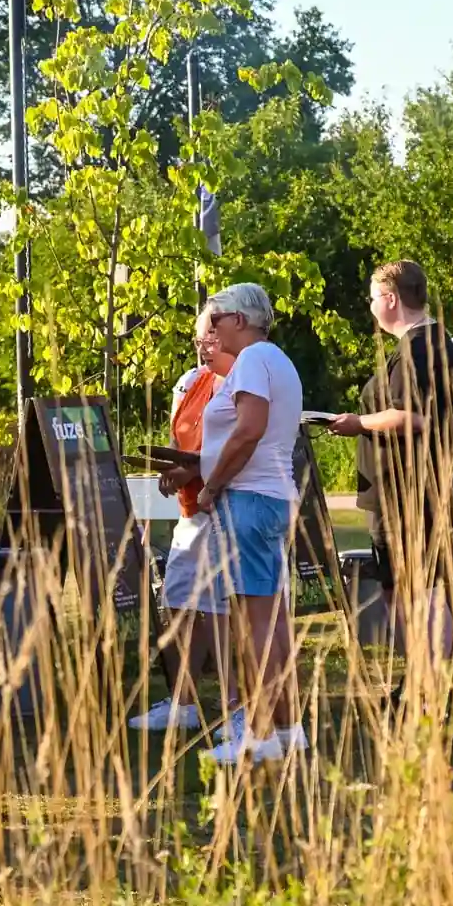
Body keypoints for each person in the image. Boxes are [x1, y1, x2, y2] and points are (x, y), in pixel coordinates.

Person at [185, 283, 308, 765]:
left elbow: (249, 428)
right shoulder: (278, 360)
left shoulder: (254, 360)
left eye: (215, 320)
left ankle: (258, 736)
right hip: (273, 495)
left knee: (253, 624)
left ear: (240, 319)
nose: (210, 330)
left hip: (248, 498)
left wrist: (213, 484)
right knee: (273, 619)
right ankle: (286, 728)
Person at [329, 261, 453, 672]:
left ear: (390, 298)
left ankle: (428, 685)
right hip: (415, 487)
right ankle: (424, 683)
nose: (370, 305)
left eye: (373, 297)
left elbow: (413, 417)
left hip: (408, 491)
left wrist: (358, 423)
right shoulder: (431, 343)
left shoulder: (419, 347)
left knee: (417, 588)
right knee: (416, 585)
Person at [131, 307, 237, 734]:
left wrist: (191, 470)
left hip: (227, 509)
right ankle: (183, 700)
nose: (203, 347)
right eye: (198, 339)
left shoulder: (241, 381)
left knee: (224, 607)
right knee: (177, 598)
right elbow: (182, 439)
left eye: (210, 337)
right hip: (191, 511)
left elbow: (235, 445)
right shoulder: (192, 383)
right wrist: (171, 468)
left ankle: (238, 702)